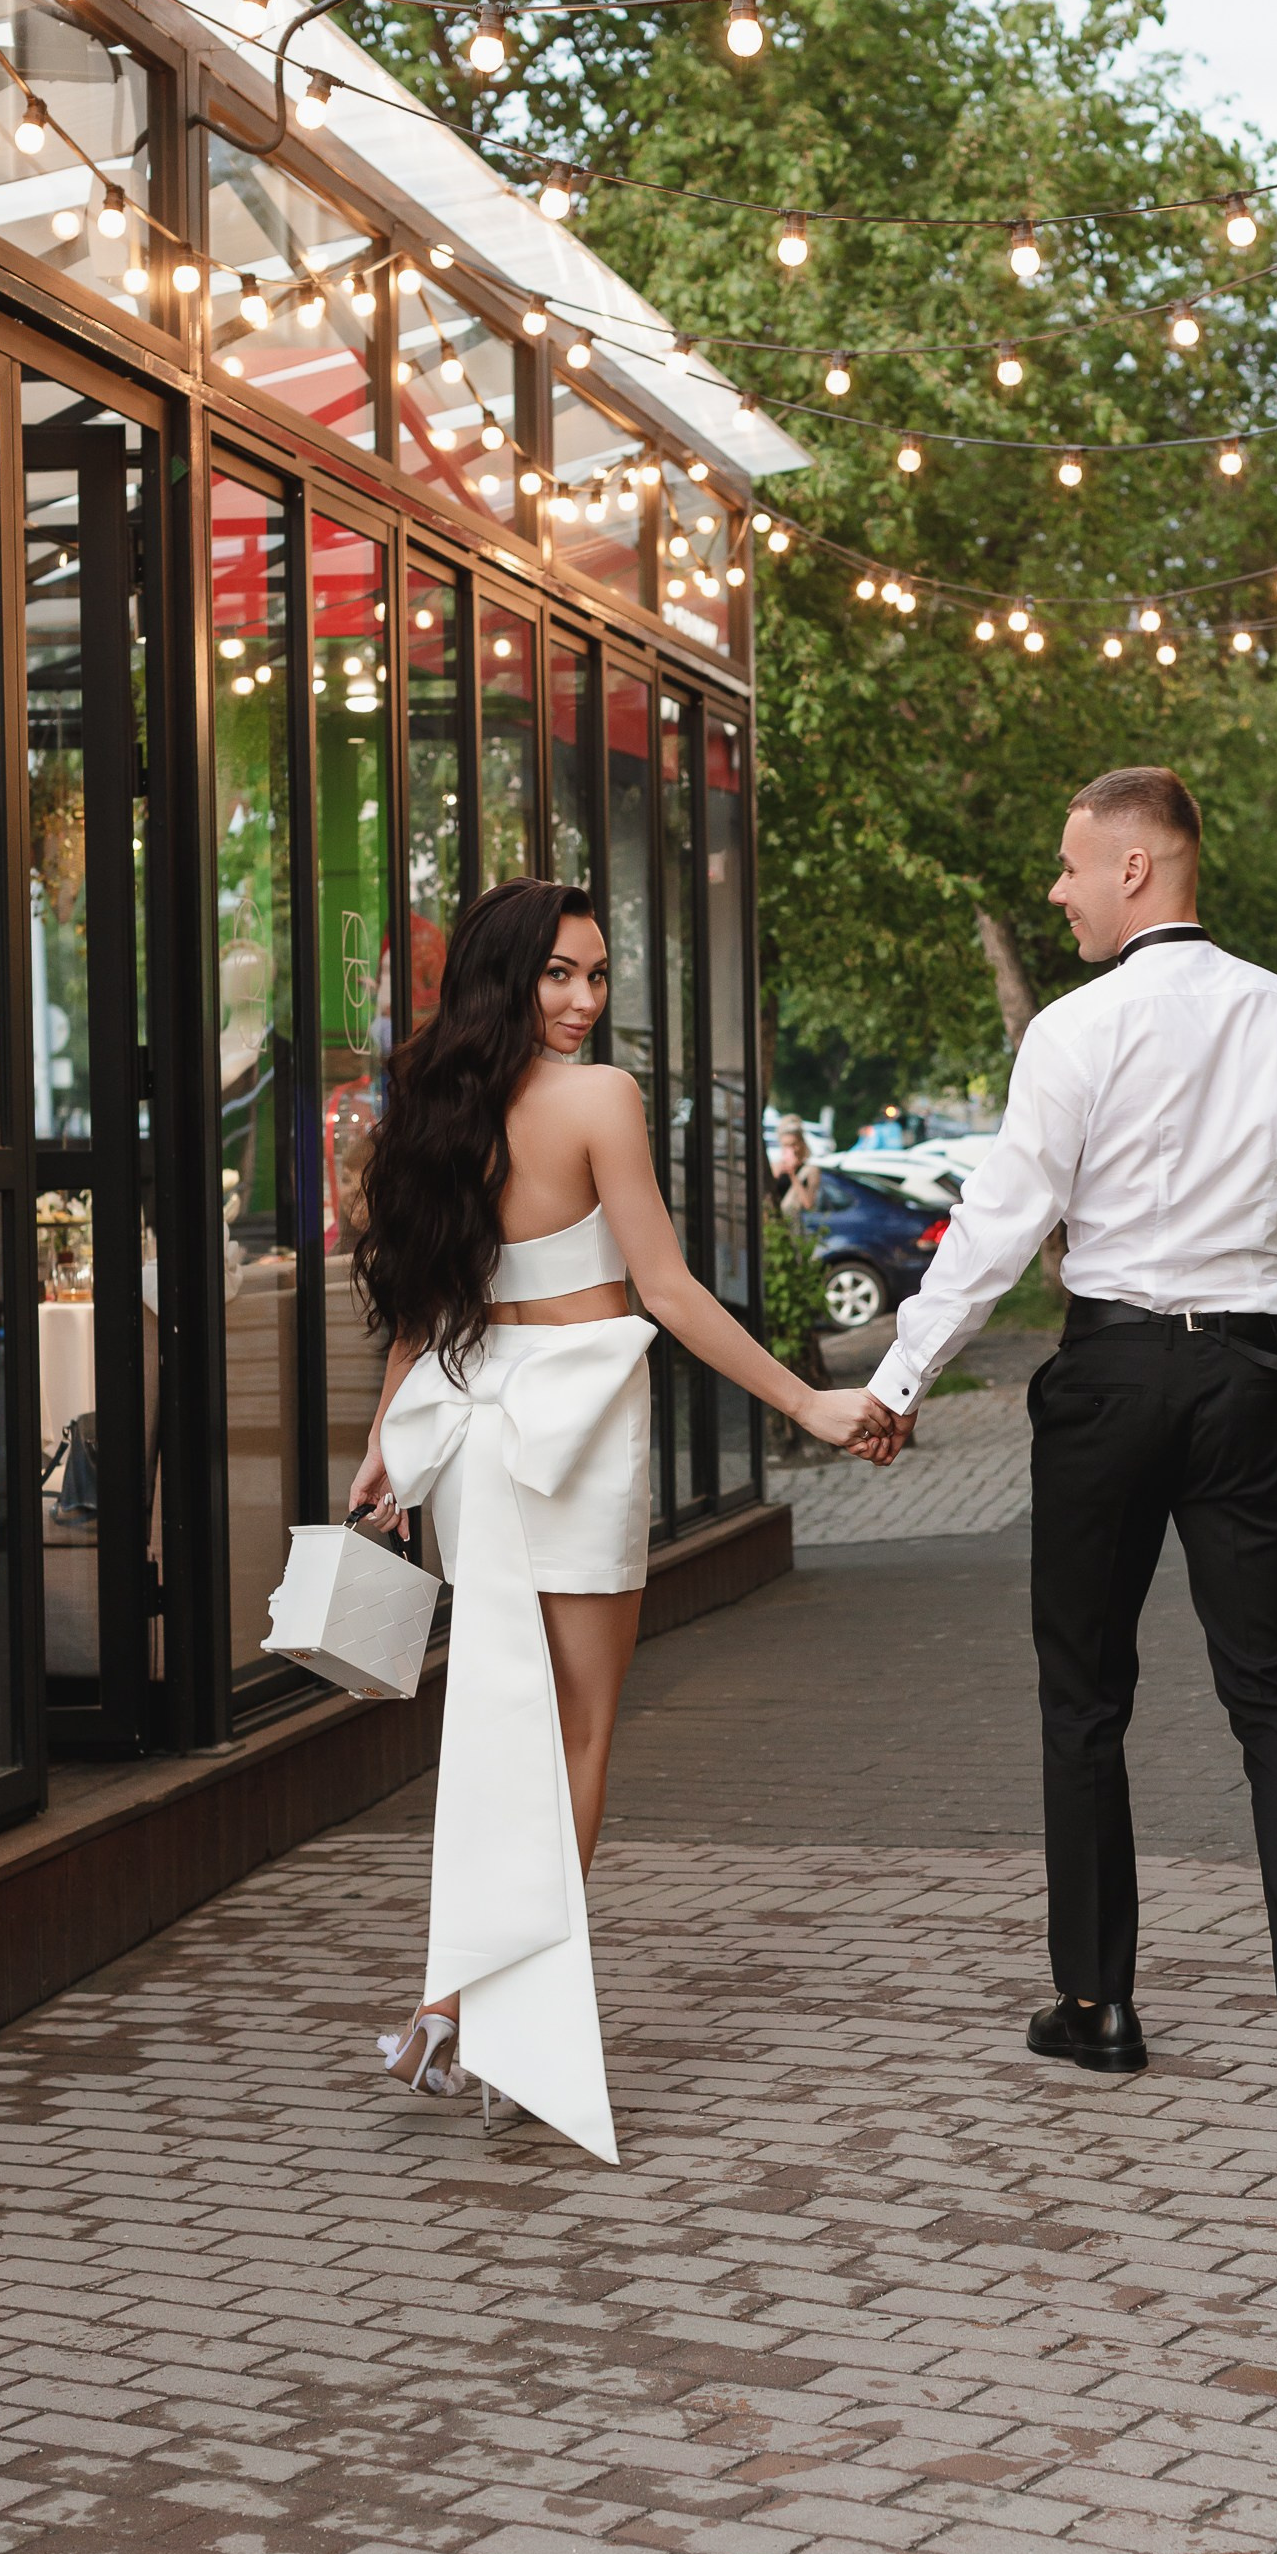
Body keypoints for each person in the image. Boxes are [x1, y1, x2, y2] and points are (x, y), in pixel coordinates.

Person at [860, 768, 1277, 2108]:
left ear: (1138, 870)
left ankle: (1099, 2007)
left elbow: (995, 1223)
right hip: (1247, 1380)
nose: (1057, 889)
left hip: (1107, 1379)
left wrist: (903, 1380)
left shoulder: (1074, 1031)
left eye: (1071, 865)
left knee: (1084, 1699)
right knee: (1274, 1695)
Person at [346, 879, 881, 2157]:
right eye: (560, 975)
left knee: (495, 1722)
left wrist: (382, 1447)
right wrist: (804, 1402)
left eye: (596, 977)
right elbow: (670, 1290)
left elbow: (421, 1308)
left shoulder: (430, 1100)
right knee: (575, 1735)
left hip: (474, 1422)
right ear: (508, 975)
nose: (584, 1001)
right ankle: (475, 2018)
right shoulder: (600, 1101)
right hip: (574, 1428)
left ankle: (450, 2006)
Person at [769, 1117, 821, 1215]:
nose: (791, 1150)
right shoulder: (776, 1167)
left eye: (794, 1145)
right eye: (786, 1146)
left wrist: (793, 1175)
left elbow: (808, 1204)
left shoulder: (810, 1170)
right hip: (775, 1224)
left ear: (802, 1144)